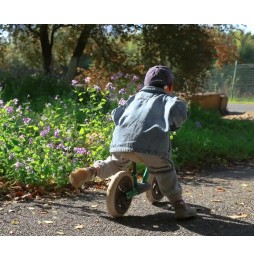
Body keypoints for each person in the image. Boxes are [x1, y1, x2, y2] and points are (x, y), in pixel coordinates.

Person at [69, 65, 197, 220]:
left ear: (145, 85)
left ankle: (91, 171)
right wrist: (174, 125)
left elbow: (117, 115)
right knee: (165, 171)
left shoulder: (134, 98)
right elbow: (180, 113)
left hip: (122, 141)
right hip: (152, 145)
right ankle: (179, 205)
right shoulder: (169, 99)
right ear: (169, 86)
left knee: (115, 163)